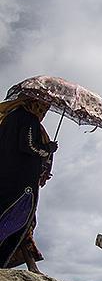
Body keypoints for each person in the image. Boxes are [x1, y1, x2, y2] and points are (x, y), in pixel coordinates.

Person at [0, 97, 57, 269]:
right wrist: (48, 149)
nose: (43, 112)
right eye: (42, 107)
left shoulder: (8, 118)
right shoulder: (28, 119)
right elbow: (29, 146)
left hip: (5, 179)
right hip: (21, 182)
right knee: (21, 218)